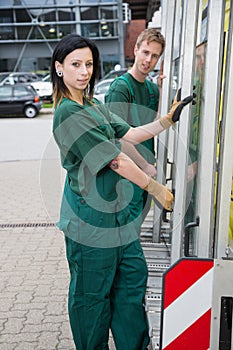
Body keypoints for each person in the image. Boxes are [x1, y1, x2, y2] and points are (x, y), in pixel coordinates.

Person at [51, 33, 193, 350]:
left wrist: (167, 120)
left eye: (88, 64)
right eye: (75, 64)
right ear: (60, 68)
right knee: (92, 296)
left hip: (117, 218)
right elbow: (116, 160)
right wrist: (155, 188)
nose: (84, 71)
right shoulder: (67, 114)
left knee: (131, 281)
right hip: (89, 222)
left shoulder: (92, 105)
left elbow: (130, 132)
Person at [105, 28, 166, 232]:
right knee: (125, 236)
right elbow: (117, 138)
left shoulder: (150, 89)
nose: (149, 60)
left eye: (155, 55)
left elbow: (154, 124)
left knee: (135, 231)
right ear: (136, 49)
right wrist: (144, 165)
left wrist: (160, 90)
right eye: (146, 52)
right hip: (127, 176)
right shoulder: (120, 88)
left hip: (146, 173)